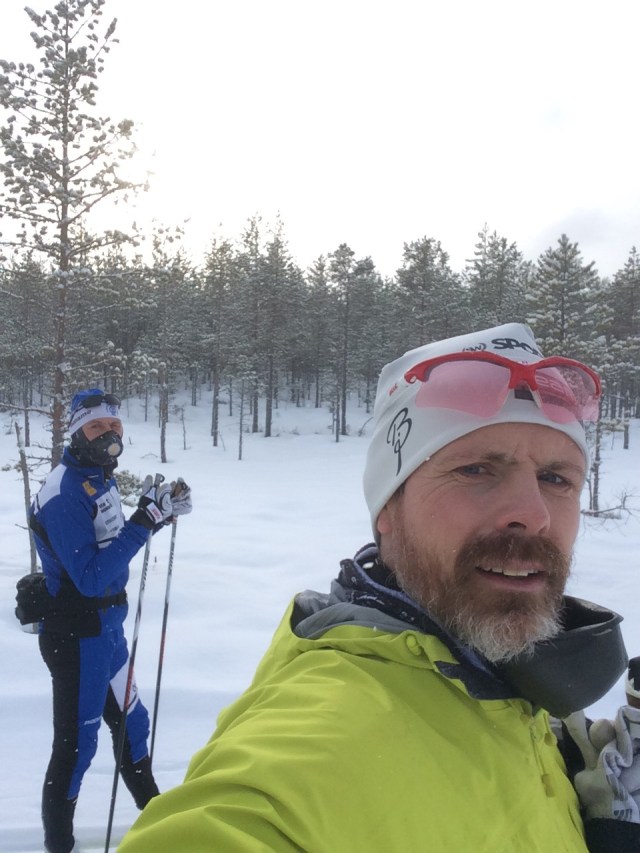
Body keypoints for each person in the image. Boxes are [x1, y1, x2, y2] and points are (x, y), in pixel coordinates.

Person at [119, 324, 639, 853]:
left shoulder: (510, 689)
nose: (533, 515)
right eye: (476, 469)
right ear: (388, 507)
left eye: (557, 479)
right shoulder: (323, 734)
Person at [29, 389, 192, 853]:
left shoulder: (96, 478)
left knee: (133, 725)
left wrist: (157, 512)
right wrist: (145, 521)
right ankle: (59, 844)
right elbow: (89, 576)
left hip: (107, 632)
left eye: (114, 427)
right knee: (76, 751)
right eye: (97, 427)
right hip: (76, 638)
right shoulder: (63, 491)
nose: (108, 436)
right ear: (77, 431)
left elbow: (110, 540)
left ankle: (159, 820)